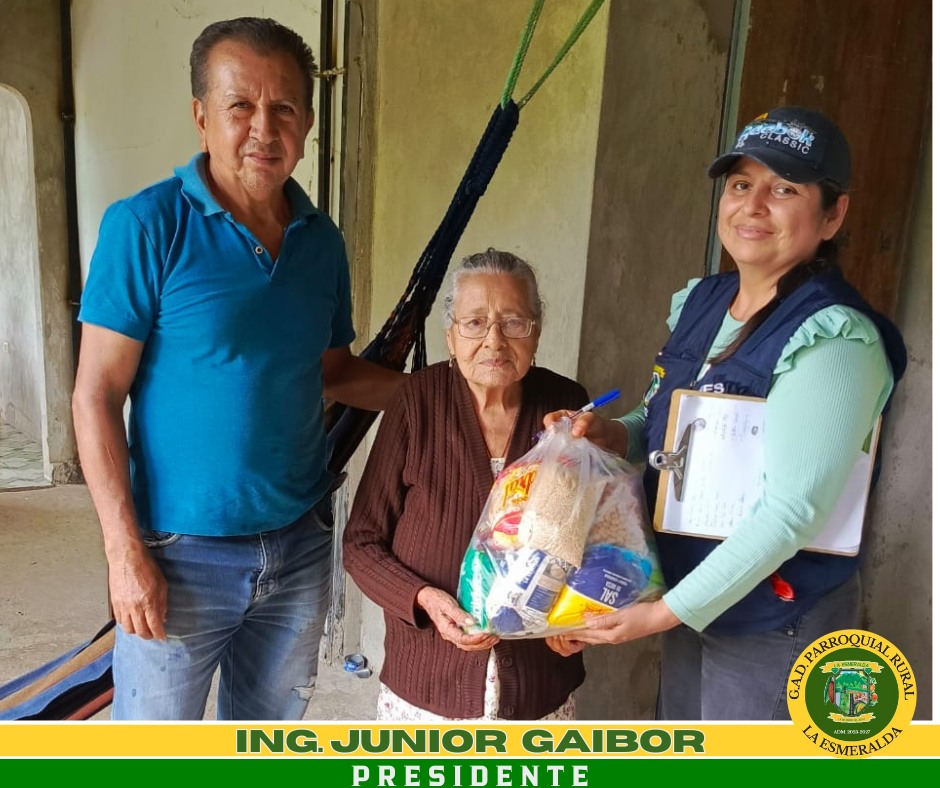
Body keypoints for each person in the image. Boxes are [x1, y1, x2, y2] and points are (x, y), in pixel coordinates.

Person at [71, 17, 403, 721]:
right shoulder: (148, 226)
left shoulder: (321, 242)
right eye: (240, 106)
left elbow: (335, 372)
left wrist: (449, 394)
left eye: (284, 107)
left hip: (298, 545)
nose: (263, 129)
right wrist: (123, 554)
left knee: (264, 748)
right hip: (178, 553)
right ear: (201, 117)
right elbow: (95, 394)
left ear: (308, 122)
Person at [545, 107, 907, 720]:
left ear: (833, 214)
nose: (753, 206)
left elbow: (793, 512)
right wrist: (612, 434)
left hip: (775, 621)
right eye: (741, 184)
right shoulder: (704, 302)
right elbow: (670, 424)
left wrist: (664, 613)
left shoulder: (834, 337)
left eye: (784, 189)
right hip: (692, 598)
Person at [342, 249, 589, 720]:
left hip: (539, 684)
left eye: (513, 322)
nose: (494, 340)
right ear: (451, 336)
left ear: (535, 332)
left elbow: (592, 536)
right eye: (475, 323)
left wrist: (575, 613)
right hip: (428, 685)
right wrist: (423, 598)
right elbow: (361, 543)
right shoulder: (415, 402)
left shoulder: (565, 403)